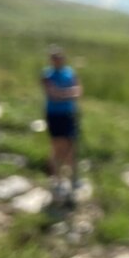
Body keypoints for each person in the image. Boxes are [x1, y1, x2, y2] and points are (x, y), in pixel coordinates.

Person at [41, 45, 82, 198]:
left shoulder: (70, 72)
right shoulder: (47, 74)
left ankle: (73, 178)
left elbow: (78, 90)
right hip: (54, 114)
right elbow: (53, 95)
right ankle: (56, 178)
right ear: (51, 60)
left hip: (69, 113)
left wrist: (63, 93)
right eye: (55, 57)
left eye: (60, 57)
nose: (58, 60)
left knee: (71, 145)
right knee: (57, 146)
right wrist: (69, 93)